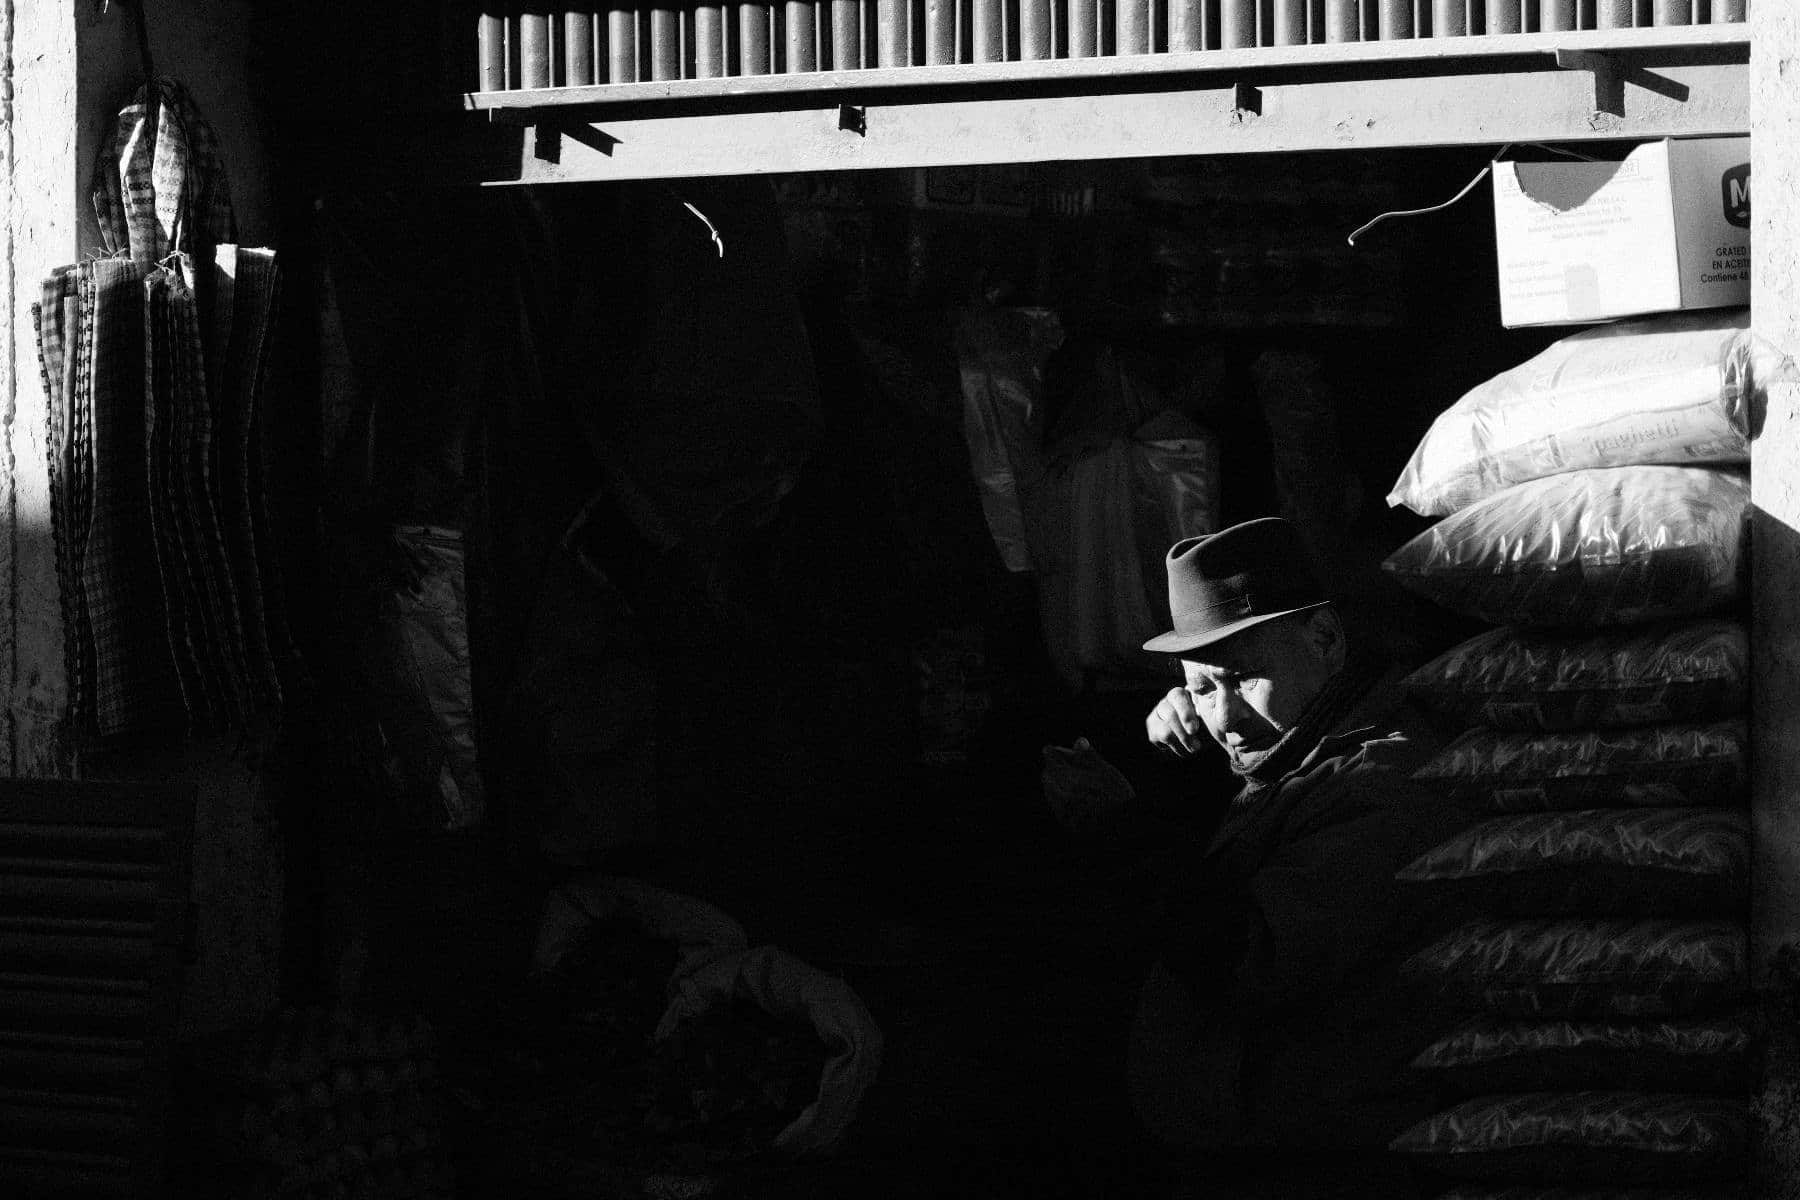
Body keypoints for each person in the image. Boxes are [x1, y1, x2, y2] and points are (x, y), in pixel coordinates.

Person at [1126, 517, 1474, 1198]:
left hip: (1321, 1158)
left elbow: (1246, 956)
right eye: (1200, 688)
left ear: (1325, 639)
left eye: (1244, 677)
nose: (1222, 718)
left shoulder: (1382, 779)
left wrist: (1123, 832)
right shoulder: (1296, 743)